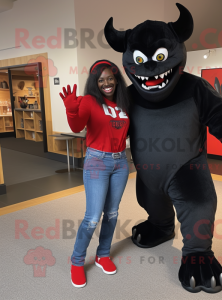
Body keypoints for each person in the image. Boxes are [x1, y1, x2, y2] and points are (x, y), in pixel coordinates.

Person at [59, 60, 131, 288]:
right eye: (101, 80)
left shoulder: (124, 102)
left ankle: (102, 255)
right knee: (92, 217)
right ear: (95, 83)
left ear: (117, 79)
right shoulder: (90, 101)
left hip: (121, 162)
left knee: (112, 213)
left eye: (110, 78)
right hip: (97, 161)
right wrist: (71, 108)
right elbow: (76, 125)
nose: (106, 83)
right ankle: (77, 261)